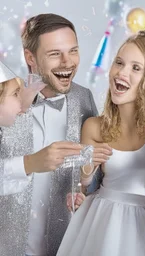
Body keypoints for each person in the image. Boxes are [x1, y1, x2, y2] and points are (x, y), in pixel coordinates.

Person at [57, 30, 145, 256]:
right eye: (119, 63)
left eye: (136, 68)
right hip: (102, 220)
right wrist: (86, 169)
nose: (122, 72)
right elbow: (82, 184)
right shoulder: (94, 127)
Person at [0, 13, 98, 256]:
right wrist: (30, 163)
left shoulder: (84, 99)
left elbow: (91, 172)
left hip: (66, 245)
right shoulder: (4, 100)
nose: (68, 62)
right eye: (55, 53)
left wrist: (84, 191)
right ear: (30, 57)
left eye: (73, 51)